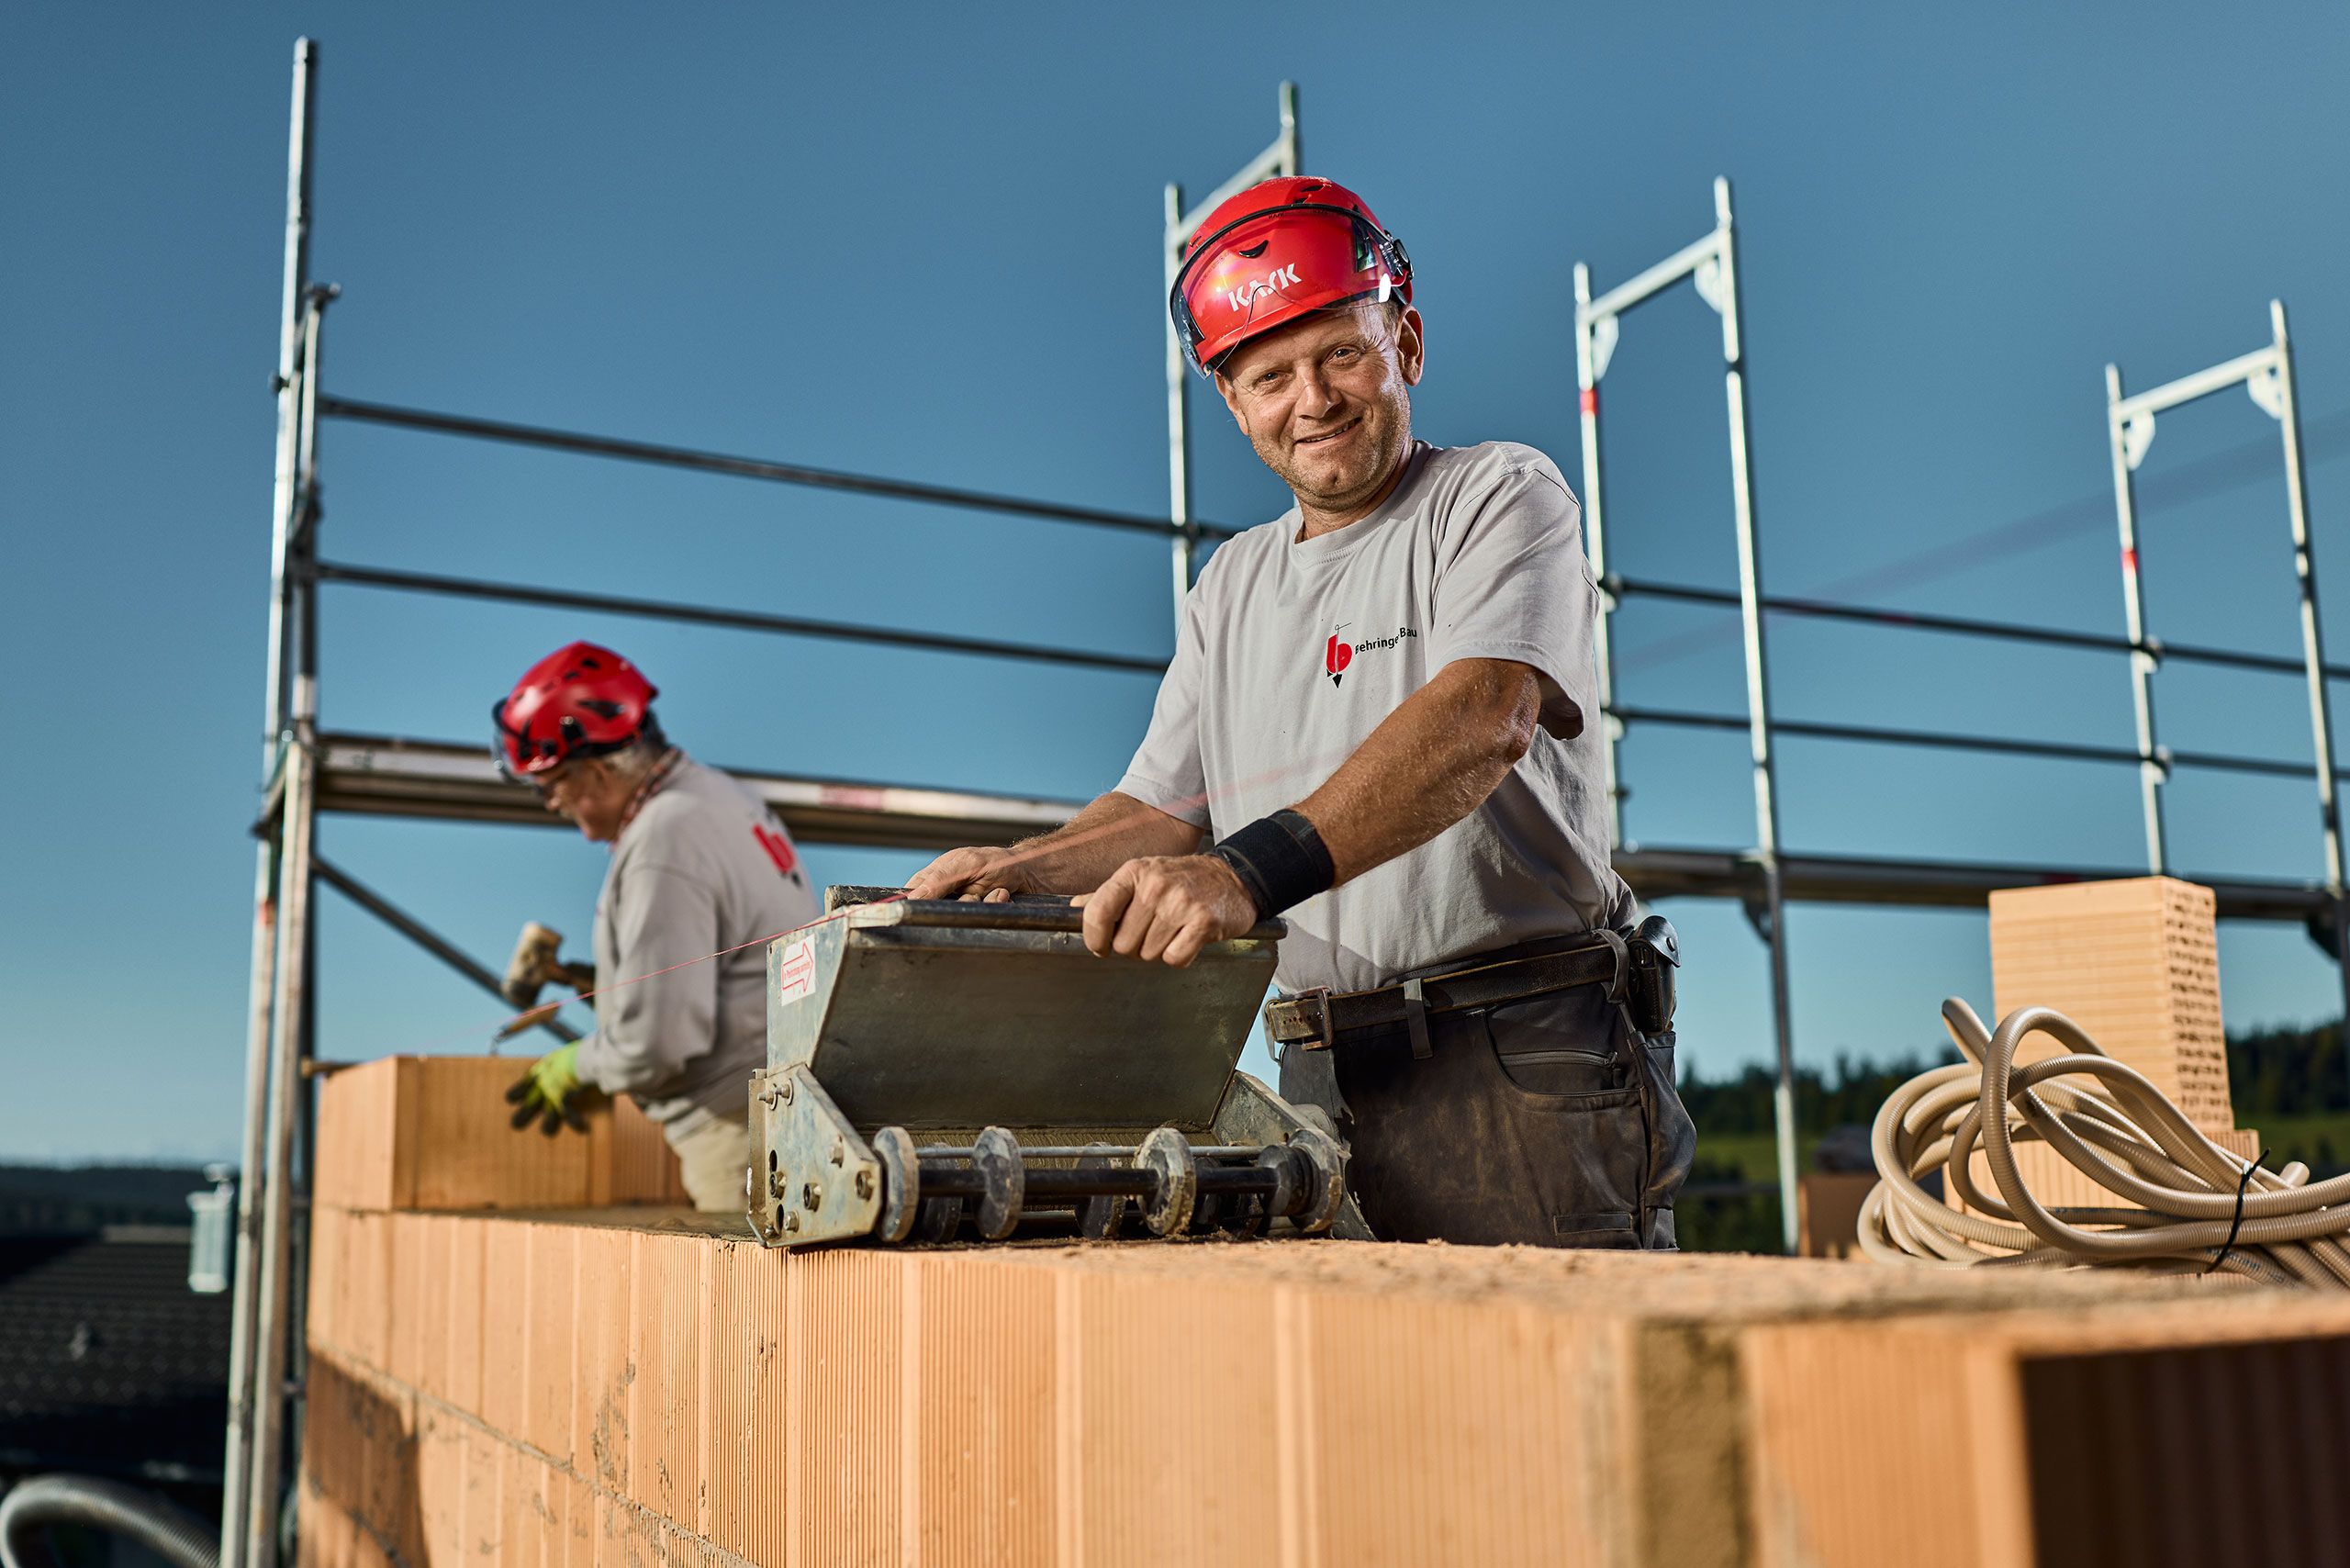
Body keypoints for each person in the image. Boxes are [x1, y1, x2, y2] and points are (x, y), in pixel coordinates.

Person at [907, 176, 1694, 1248]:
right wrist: (1022, 869)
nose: (1312, 399)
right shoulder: (1230, 583)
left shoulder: (1497, 495)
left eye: (1342, 355)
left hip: (1522, 1053)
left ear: (1405, 343)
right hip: (1315, 1069)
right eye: (1270, 376)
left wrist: (1243, 875)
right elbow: (1162, 810)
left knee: (1551, 1351)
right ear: (1233, 404)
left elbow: (1481, 717)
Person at [494, 641, 817, 1212]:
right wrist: (621, 986)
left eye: (550, 785)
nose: (550, 804)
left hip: (737, 1132)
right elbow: (729, 960)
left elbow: (657, 1044)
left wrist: (577, 1066)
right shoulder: (718, 796)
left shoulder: (661, 842)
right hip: (783, 1105)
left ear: (596, 771)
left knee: (741, 1275)